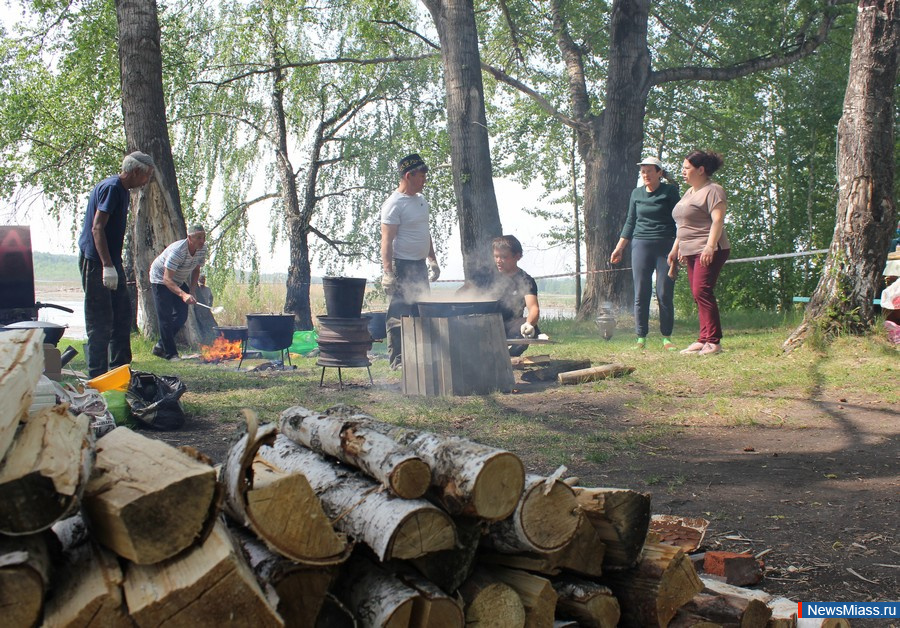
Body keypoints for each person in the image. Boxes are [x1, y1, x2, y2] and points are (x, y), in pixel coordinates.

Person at [77, 151, 155, 377]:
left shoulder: (121, 190)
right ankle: (97, 378)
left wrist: (114, 264)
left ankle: (120, 373)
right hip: (96, 261)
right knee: (100, 321)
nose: (147, 181)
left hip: (111, 261)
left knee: (122, 316)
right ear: (136, 171)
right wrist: (107, 266)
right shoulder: (112, 188)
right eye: (146, 176)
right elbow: (97, 228)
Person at [610, 156, 680, 351]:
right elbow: (630, 222)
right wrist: (619, 247)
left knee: (664, 292)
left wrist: (679, 246)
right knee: (641, 292)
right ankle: (641, 337)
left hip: (666, 245)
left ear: (659, 172)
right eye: (643, 171)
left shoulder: (670, 191)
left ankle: (666, 337)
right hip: (640, 245)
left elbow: (681, 220)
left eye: (649, 170)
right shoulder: (636, 194)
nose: (646, 174)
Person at [667, 150, 730, 356]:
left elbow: (718, 220)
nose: (683, 172)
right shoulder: (689, 192)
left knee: (702, 291)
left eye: (687, 168)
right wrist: (676, 249)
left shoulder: (713, 190)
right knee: (697, 294)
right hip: (690, 250)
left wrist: (710, 246)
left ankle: (713, 341)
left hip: (708, 249)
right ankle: (703, 338)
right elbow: (683, 224)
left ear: (701, 170)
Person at [381, 153, 440, 370]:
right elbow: (386, 241)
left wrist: (432, 259)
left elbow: (425, 232)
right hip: (401, 266)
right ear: (409, 175)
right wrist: (388, 273)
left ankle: (418, 359)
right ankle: (398, 361)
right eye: (422, 176)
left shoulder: (421, 201)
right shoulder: (394, 204)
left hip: (418, 266)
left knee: (420, 311)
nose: (425, 180)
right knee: (398, 315)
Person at [149, 225, 208, 360]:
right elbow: (167, 279)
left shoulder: (202, 249)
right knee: (165, 318)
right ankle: (171, 354)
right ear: (189, 238)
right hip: (160, 280)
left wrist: (192, 291)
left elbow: (196, 270)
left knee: (182, 316)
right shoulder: (178, 251)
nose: (202, 240)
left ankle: (160, 345)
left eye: (204, 237)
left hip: (178, 281)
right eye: (198, 237)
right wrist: (183, 294)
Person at [491, 235, 541, 357]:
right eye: (496, 256)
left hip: (510, 325)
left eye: (504, 257)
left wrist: (529, 324)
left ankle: (509, 357)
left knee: (528, 328)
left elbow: (534, 308)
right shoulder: (488, 276)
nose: (498, 260)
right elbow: (468, 290)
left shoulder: (525, 280)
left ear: (517, 256)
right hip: (486, 323)